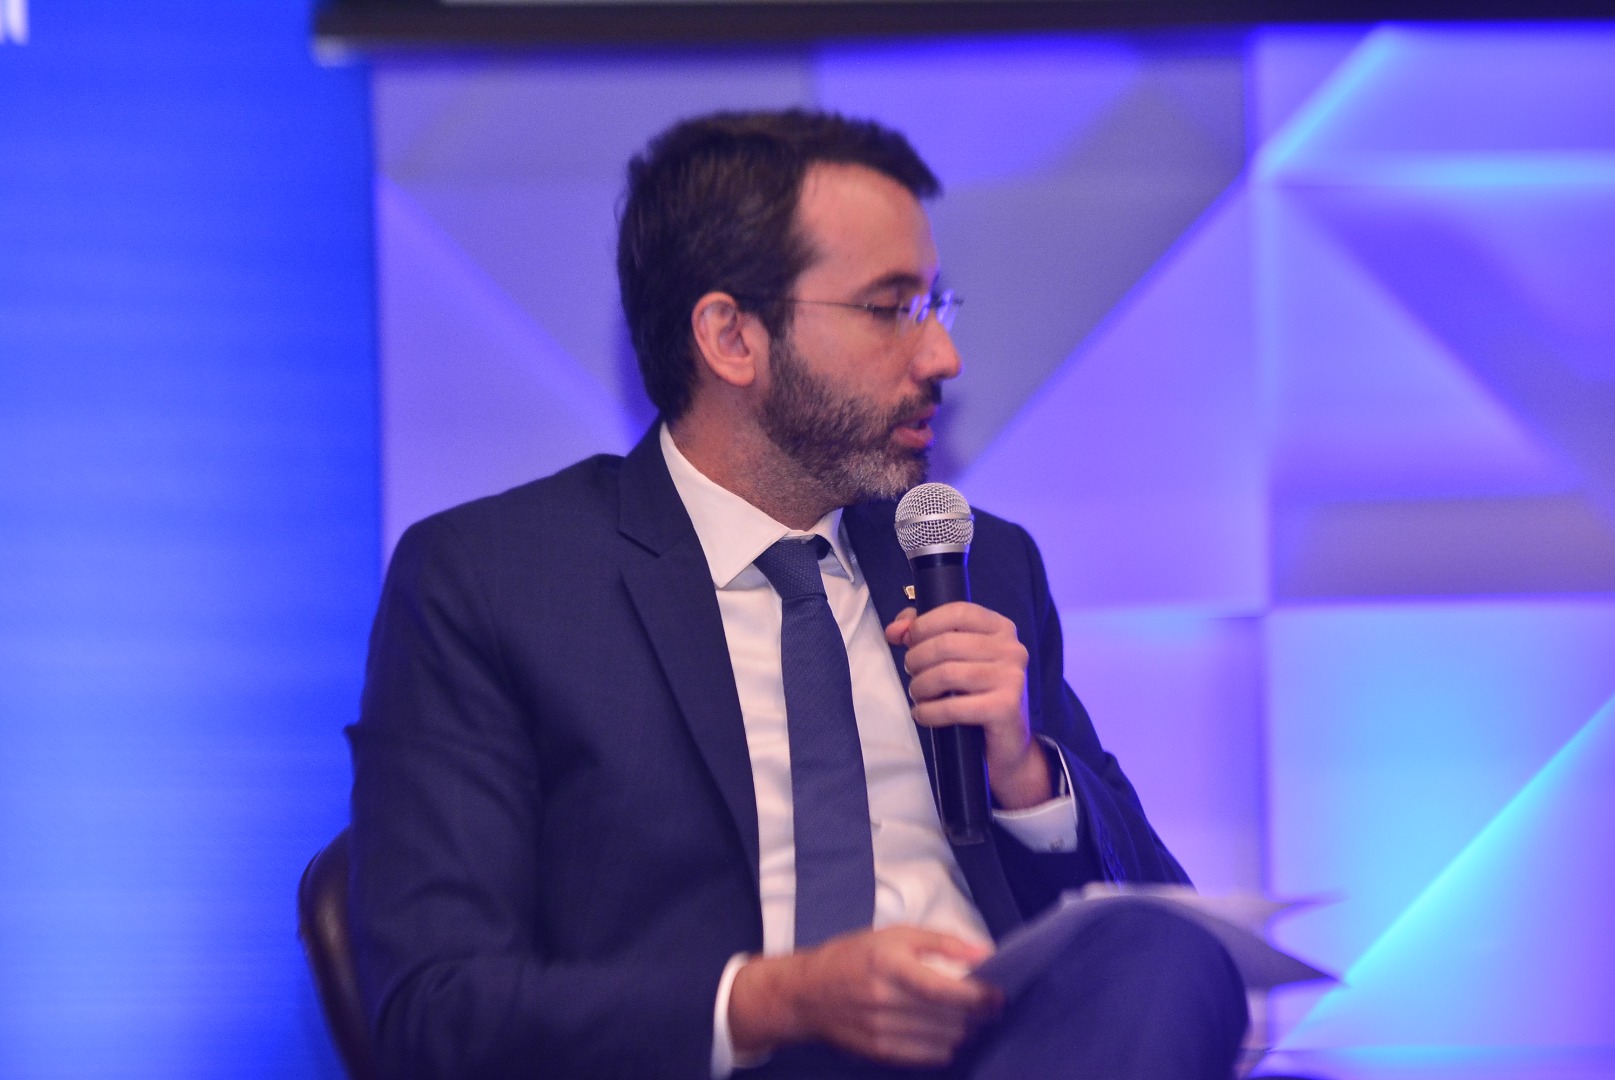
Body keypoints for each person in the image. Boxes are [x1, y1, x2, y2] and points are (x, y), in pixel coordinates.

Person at [347, 109, 1247, 1080]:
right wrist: (781, 1000)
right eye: (890, 308)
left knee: (1169, 958)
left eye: (935, 305)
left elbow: (1169, 943)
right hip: (725, 1059)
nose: (941, 357)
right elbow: (436, 1009)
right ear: (731, 336)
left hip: (1002, 1060)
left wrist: (1026, 779)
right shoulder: (495, 582)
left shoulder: (979, 564)